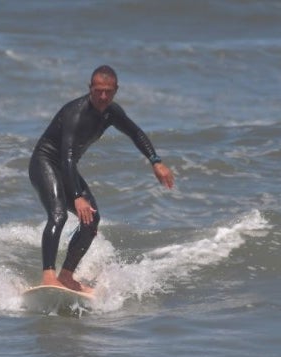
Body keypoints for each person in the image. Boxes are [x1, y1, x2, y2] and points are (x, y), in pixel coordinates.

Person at [28, 65, 175, 292]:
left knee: (91, 220)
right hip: (44, 163)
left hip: (66, 168)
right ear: (90, 89)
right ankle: (48, 276)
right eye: (98, 91)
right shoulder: (76, 113)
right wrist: (77, 196)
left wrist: (156, 161)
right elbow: (66, 157)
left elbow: (135, 133)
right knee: (58, 216)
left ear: (116, 90)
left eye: (108, 91)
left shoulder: (111, 112)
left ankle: (66, 275)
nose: (103, 96)